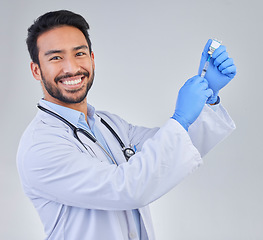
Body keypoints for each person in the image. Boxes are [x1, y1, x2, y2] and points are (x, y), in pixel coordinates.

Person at [16, 10, 236, 240]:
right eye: (56, 58)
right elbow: (127, 187)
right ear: (36, 70)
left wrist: (207, 98)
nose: (71, 68)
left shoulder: (108, 124)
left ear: (92, 59)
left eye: (79, 53)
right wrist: (180, 118)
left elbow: (171, 149)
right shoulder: (40, 145)